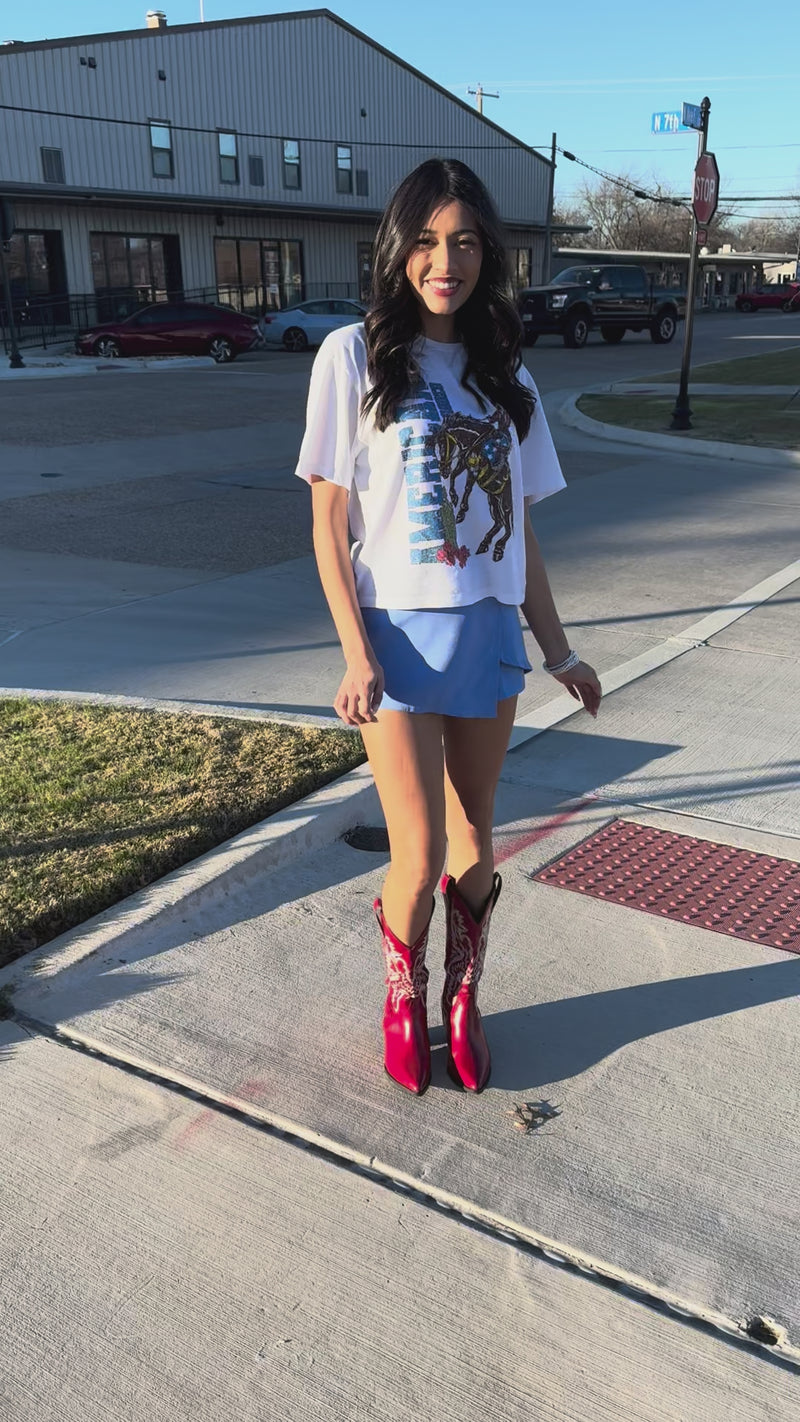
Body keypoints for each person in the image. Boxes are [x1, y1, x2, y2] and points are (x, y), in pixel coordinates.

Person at [295, 158, 601, 1098]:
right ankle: (403, 992)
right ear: (398, 249)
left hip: (488, 637)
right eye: (427, 239)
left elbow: (525, 533)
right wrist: (353, 651)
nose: (446, 259)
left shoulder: (506, 373)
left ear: (487, 254)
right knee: (417, 851)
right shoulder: (351, 355)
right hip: (395, 639)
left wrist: (562, 649)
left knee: (476, 838)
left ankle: (463, 996)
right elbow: (328, 524)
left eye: (465, 240)